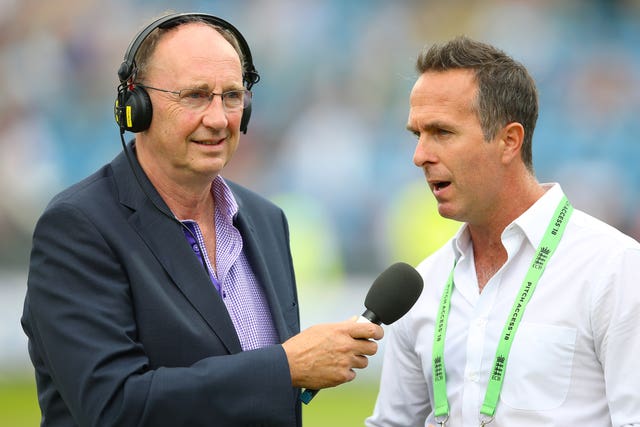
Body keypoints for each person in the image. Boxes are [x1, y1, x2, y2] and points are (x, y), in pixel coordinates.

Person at [21, 12, 383, 427]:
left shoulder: (266, 221)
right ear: (135, 105)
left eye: (231, 96)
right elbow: (113, 406)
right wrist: (283, 367)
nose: (218, 118)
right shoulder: (78, 227)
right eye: (194, 95)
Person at [366, 36, 640, 427]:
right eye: (417, 134)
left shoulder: (614, 269)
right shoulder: (423, 284)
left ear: (509, 140)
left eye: (442, 132)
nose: (420, 155)